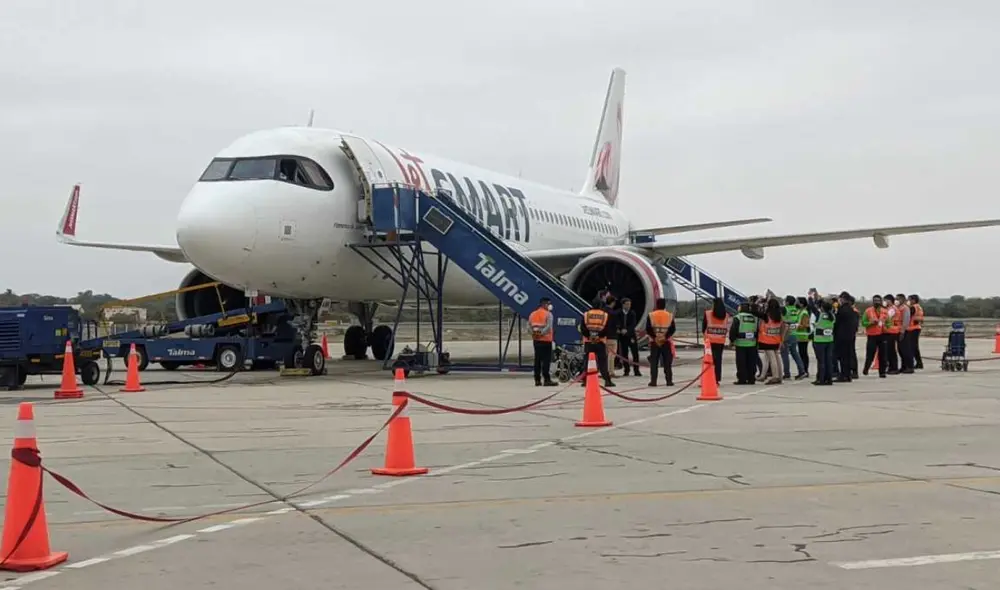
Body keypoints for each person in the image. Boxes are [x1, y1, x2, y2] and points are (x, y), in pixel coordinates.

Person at [580, 301, 615, 387]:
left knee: (587, 361)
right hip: (600, 341)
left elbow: (582, 328)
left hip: (589, 341)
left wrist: (590, 336)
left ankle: (585, 380)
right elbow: (607, 329)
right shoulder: (605, 315)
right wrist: (598, 336)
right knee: (602, 362)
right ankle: (607, 381)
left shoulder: (586, 314)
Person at [646, 298, 676, 386]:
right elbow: (672, 329)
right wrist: (665, 337)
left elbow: (648, 329)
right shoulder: (669, 315)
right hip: (665, 341)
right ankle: (669, 381)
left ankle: (653, 381)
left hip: (654, 342)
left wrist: (655, 337)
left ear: (657, 305)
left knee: (654, 362)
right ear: (664, 305)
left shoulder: (651, 315)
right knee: (667, 362)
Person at [528, 297, 557, 387]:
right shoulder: (548, 314)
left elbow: (528, 327)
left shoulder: (532, 314)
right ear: (545, 304)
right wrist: (541, 334)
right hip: (546, 340)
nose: (550, 306)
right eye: (549, 304)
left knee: (537, 360)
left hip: (536, 340)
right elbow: (548, 327)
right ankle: (547, 379)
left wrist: (535, 334)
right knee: (546, 361)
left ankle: (537, 380)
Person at [730, 302, 759, 385]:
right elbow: (757, 330)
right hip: (752, 343)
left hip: (740, 343)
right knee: (751, 362)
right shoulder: (755, 318)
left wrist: (732, 341)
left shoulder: (738, 317)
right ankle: (751, 379)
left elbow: (733, 330)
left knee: (741, 362)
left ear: (741, 308)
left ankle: (742, 379)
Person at [702, 297, 729, 384]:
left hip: (709, 342)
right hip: (720, 341)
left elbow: (704, 327)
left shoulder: (708, 314)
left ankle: (708, 379)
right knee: (718, 361)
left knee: (708, 361)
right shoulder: (726, 315)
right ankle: (716, 379)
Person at [780, 295, 807, 380]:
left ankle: (787, 373)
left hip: (786, 333)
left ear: (787, 302)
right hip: (794, 333)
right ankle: (802, 371)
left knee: (784, 354)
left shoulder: (785, 309)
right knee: (795, 353)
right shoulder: (796, 309)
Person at [861, 295, 888, 378]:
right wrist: (870, 323)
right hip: (872, 335)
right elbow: (863, 323)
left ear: (881, 301)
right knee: (870, 354)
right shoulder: (868, 311)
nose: (876, 302)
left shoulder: (885, 311)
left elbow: (889, 323)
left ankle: (882, 372)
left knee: (883, 355)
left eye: (878, 300)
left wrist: (885, 326)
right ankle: (866, 369)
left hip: (882, 335)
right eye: (875, 300)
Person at [833, 293, 858, 382]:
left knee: (842, 356)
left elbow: (837, 323)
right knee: (847, 356)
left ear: (843, 299)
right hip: (849, 336)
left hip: (841, 336)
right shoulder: (851, 309)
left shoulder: (842, 309)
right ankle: (847, 375)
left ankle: (843, 375)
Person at [758, 301, 785, 384]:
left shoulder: (767, 316)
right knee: (777, 358)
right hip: (776, 339)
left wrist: (758, 303)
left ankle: (775, 376)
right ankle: (780, 375)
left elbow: (756, 312)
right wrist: (781, 340)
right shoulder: (779, 316)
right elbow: (783, 328)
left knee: (772, 359)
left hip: (767, 340)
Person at [812, 298, 836, 386]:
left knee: (821, 361)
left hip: (819, 340)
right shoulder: (832, 316)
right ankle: (829, 379)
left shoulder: (819, 315)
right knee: (828, 360)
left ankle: (820, 379)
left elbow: (812, 307)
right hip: (829, 340)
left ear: (822, 308)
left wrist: (811, 297)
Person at [616, 297, 641, 377]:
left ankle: (636, 370)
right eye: (627, 304)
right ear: (623, 305)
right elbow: (617, 323)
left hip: (631, 335)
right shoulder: (618, 313)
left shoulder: (632, 313)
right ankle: (626, 370)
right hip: (622, 336)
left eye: (629, 304)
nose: (628, 306)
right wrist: (620, 329)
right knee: (624, 353)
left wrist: (627, 330)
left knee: (635, 353)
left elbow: (633, 324)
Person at [881, 294, 902, 374]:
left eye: (885, 300)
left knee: (891, 351)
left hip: (892, 331)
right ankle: (891, 367)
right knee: (889, 351)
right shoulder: (890, 308)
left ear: (889, 301)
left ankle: (894, 368)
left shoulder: (892, 309)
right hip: (890, 331)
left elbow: (886, 318)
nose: (884, 302)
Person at [893, 292, 913, 374]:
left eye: (898, 299)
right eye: (896, 299)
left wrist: (902, 332)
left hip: (904, 331)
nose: (896, 300)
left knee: (905, 350)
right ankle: (904, 366)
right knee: (900, 350)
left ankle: (909, 366)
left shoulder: (905, 308)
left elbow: (906, 320)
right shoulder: (897, 308)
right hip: (898, 330)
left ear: (903, 300)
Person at [603, 294, 620, 378]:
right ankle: (611, 372)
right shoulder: (613, 313)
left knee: (605, 355)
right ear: (612, 303)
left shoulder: (602, 312)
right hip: (612, 336)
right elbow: (616, 325)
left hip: (603, 336)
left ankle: (605, 371)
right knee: (611, 355)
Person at [907, 294, 924, 369]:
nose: (908, 301)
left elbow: (908, 314)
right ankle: (919, 363)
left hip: (913, 328)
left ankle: (917, 363)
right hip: (916, 327)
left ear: (913, 300)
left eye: (909, 300)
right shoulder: (919, 306)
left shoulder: (913, 307)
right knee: (914, 347)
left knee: (912, 347)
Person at [795, 297, 811, 375]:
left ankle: (805, 370)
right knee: (801, 354)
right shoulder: (799, 311)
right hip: (799, 336)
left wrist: (795, 326)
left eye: (797, 302)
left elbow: (804, 325)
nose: (796, 303)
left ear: (801, 304)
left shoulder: (804, 313)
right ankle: (802, 370)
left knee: (803, 354)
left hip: (803, 336)